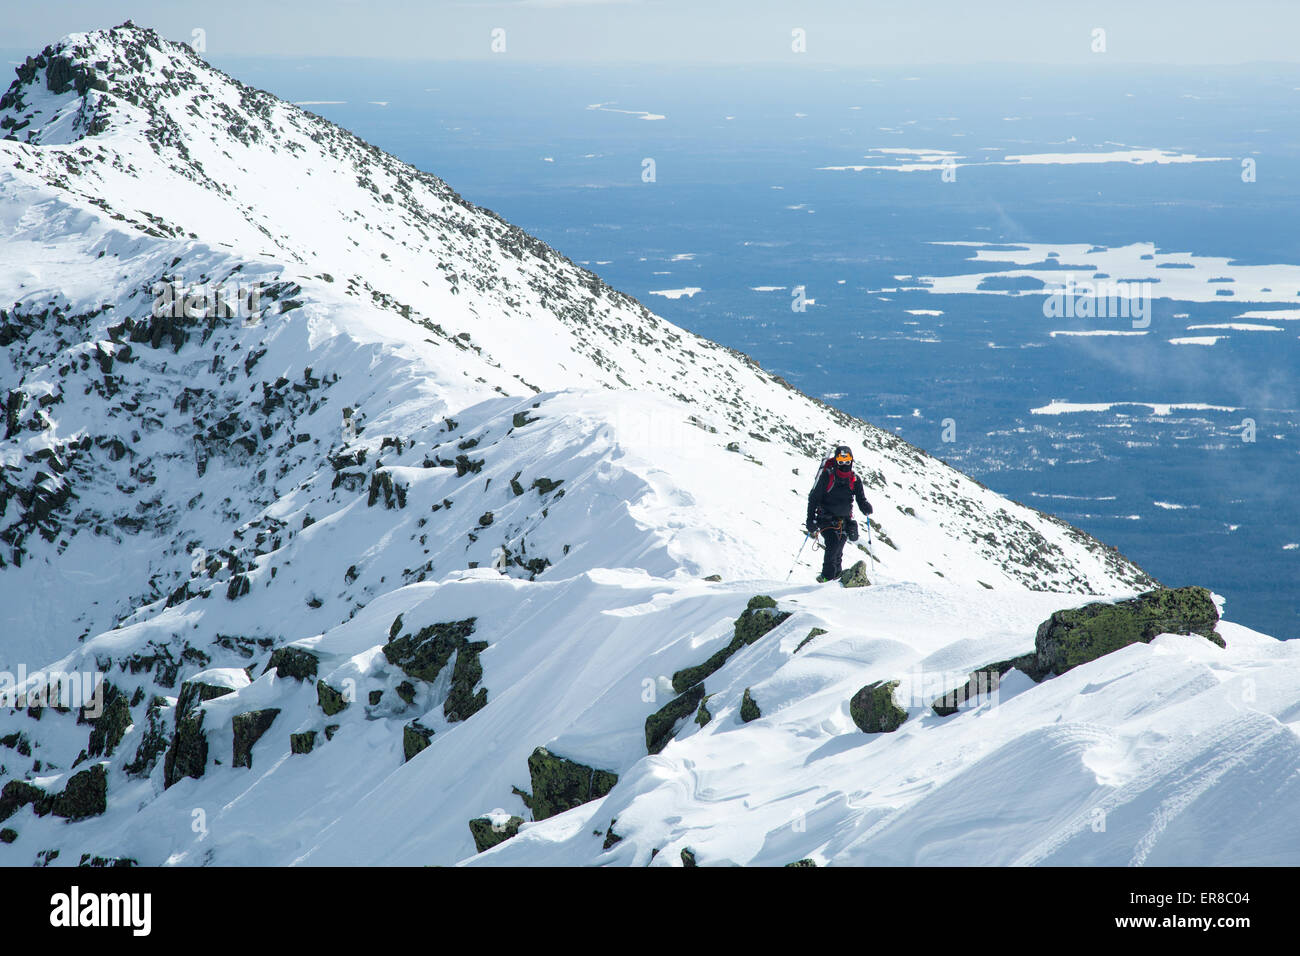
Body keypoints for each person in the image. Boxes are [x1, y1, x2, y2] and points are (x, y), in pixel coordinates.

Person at [805, 445, 873, 582]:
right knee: (833, 544)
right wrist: (810, 519)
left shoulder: (855, 479)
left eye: (847, 461)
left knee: (838, 549)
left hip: (844, 520)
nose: (844, 464)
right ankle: (827, 577)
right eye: (841, 461)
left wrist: (865, 506)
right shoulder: (827, 476)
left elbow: (861, 498)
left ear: (851, 461)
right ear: (836, 461)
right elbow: (814, 498)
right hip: (825, 518)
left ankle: (835, 578)